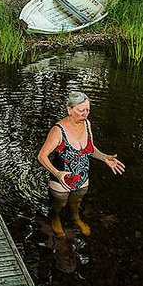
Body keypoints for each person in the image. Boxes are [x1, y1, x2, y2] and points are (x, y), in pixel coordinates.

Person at [37, 90, 125, 237]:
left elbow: (89, 149)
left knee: (76, 203)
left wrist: (104, 158)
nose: (85, 113)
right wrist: (57, 173)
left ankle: (76, 218)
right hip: (62, 180)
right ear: (69, 110)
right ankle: (55, 218)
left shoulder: (87, 124)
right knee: (59, 204)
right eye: (81, 110)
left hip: (83, 178)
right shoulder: (58, 130)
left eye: (88, 110)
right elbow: (42, 156)